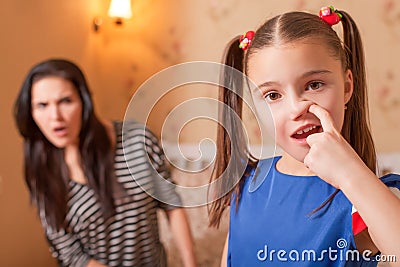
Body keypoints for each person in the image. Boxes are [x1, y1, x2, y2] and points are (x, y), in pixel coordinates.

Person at [208, 6, 400, 267]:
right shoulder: (248, 183)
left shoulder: (365, 200)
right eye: (273, 95)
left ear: (346, 87)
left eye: (314, 85)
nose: (297, 108)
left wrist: (349, 171)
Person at [14, 59, 197, 267]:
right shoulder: (43, 172)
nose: (55, 117)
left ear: (84, 101)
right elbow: (73, 255)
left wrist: (192, 265)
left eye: (65, 101)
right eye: (42, 105)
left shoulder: (138, 140)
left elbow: (172, 205)